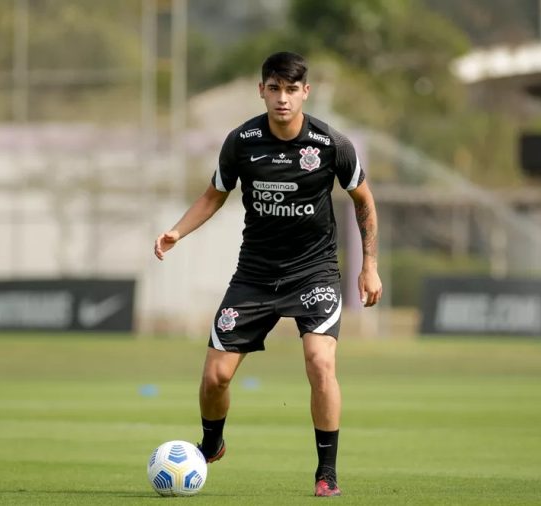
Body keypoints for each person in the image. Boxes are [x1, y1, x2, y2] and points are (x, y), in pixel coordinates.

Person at [154, 51, 382, 498]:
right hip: (255, 275)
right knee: (215, 378)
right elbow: (213, 195)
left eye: (291, 89)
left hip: (314, 273)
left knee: (320, 362)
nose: (282, 98)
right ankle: (212, 442)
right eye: (274, 88)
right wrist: (177, 231)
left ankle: (327, 473)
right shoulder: (241, 142)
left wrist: (369, 266)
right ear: (261, 90)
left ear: (305, 92)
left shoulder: (331, 144)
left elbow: (364, 201)